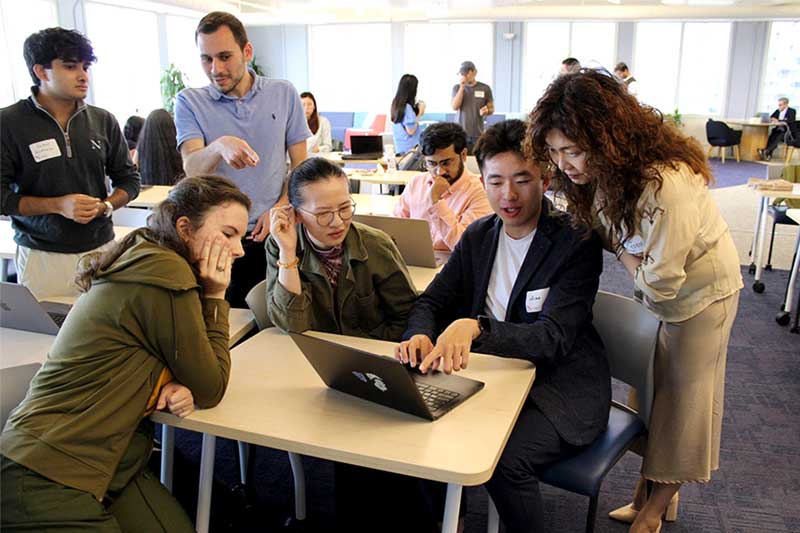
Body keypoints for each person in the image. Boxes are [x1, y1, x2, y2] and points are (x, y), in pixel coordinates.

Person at [528, 69, 742, 533]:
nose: (563, 164)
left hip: (703, 294)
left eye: (572, 151)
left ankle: (651, 513)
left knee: (683, 400)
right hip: (661, 288)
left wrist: (626, 252)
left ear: (608, 137)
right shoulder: (606, 171)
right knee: (649, 391)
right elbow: (607, 237)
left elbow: (659, 284)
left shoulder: (667, 184)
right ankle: (651, 494)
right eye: (554, 151)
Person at [0, 175, 250, 532]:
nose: (239, 249)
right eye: (228, 234)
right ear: (184, 228)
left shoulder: (146, 254)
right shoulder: (166, 274)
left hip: (106, 463)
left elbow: (165, 349)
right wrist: (215, 296)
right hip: (47, 474)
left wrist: (175, 376)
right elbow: (211, 387)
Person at [396, 119, 610, 533]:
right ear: (483, 180)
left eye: (522, 179)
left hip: (559, 386)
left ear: (546, 179)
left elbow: (553, 338)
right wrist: (418, 334)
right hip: (493, 377)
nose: (507, 195)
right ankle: (449, 520)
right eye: (495, 182)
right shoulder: (479, 235)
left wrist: (478, 329)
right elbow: (432, 300)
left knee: (505, 460)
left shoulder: (575, 241)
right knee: (415, 428)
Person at [266, 157, 427, 532]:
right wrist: (289, 253)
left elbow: (409, 318)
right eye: (322, 213)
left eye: (344, 208)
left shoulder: (376, 245)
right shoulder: (281, 247)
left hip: (376, 366)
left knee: (376, 457)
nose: (337, 222)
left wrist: (364, 354)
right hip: (316, 371)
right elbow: (293, 325)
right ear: (294, 213)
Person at [175, 11, 309, 308]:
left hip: (274, 234)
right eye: (206, 59)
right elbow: (191, 168)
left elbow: (300, 165)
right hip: (216, 241)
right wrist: (219, 146)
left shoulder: (283, 93)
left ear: (247, 52)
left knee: (274, 322)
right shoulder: (189, 101)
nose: (215, 68)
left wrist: (280, 206)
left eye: (224, 57)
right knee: (224, 323)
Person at [0, 27, 140, 300]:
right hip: (43, 257)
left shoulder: (103, 120)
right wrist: (57, 205)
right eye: (70, 66)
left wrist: (106, 205)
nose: (83, 75)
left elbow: (129, 180)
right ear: (41, 71)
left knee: (107, 334)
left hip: (102, 250)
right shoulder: (8, 124)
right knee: (47, 339)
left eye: (86, 67)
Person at [393, 122, 492, 252]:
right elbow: (395, 226)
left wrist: (436, 202)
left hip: (454, 266)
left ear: (463, 155)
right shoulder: (416, 183)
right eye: (432, 164)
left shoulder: (480, 192)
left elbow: (465, 247)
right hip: (416, 262)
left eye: (446, 163)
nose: (439, 171)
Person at [451, 60, 494, 150]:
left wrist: (487, 110)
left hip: (478, 133)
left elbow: (491, 108)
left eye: (467, 73)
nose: (464, 76)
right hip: (460, 133)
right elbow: (455, 107)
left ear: (474, 72)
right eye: (462, 74)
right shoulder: (457, 88)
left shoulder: (485, 88)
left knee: (476, 160)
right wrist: (462, 88)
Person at [137, 108, 185, 186]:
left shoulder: (141, 149)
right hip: (175, 192)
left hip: (149, 193)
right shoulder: (178, 147)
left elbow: (134, 170)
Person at [390, 73, 426, 154]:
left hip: (401, 150)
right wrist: (420, 112)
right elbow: (411, 131)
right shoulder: (407, 108)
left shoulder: (396, 104)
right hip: (410, 151)